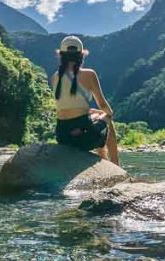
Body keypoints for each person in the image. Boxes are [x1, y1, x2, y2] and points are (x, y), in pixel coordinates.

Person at [51, 35, 119, 165]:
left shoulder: (55, 77)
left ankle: (104, 163)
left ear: (61, 56)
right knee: (107, 119)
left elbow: (69, 107)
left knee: (95, 118)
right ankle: (116, 165)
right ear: (81, 56)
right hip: (83, 137)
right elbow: (104, 106)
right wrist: (108, 114)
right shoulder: (89, 74)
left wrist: (91, 111)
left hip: (63, 137)